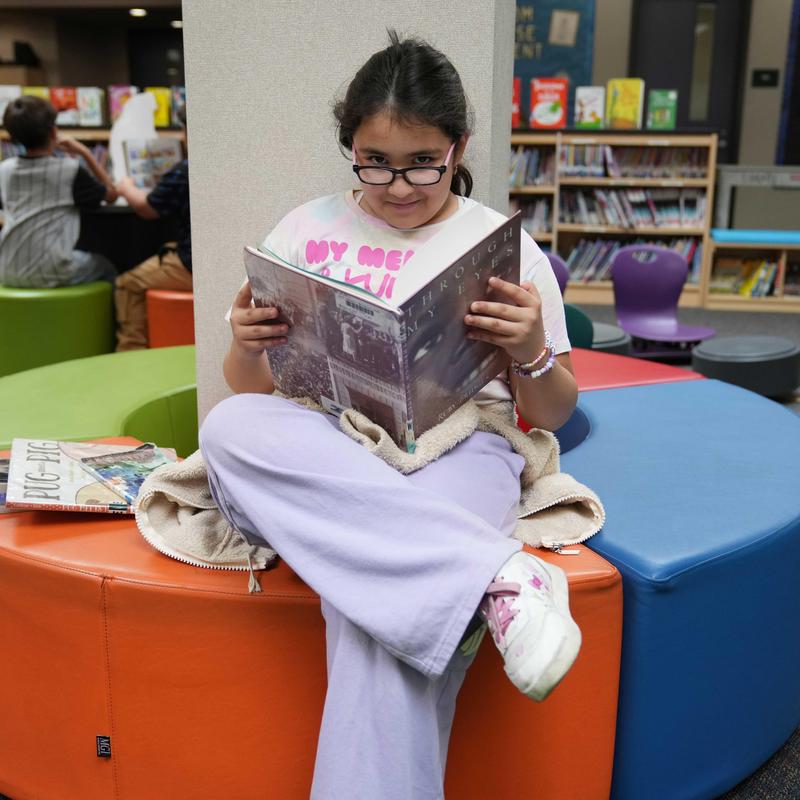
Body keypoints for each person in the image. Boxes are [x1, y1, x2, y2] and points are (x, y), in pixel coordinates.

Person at [200, 32, 580, 799]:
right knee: (226, 432)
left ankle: (474, 580)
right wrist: (246, 347)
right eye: (375, 163)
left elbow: (552, 415)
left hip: (461, 445)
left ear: (458, 145)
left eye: (422, 164)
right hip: (334, 440)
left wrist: (533, 350)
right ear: (350, 148)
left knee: (374, 617)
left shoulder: (501, 249)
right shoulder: (306, 229)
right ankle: (492, 577)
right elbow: (250, 392)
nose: (399, 187)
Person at [0, 95, 117, 288]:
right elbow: (111, 195)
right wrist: (85, 153)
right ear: (54, 132)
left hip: (6, 268)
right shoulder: (69, 170)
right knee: (107, 267)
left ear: (12, 138)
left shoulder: (4, 169)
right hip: (52, 270)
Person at [113, 104, 191, 351]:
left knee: (127, 283)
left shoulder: (185, 169)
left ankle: (131, 352)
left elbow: (147, 208)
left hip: (191, 266)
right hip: (220, 263)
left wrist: (126, 187)